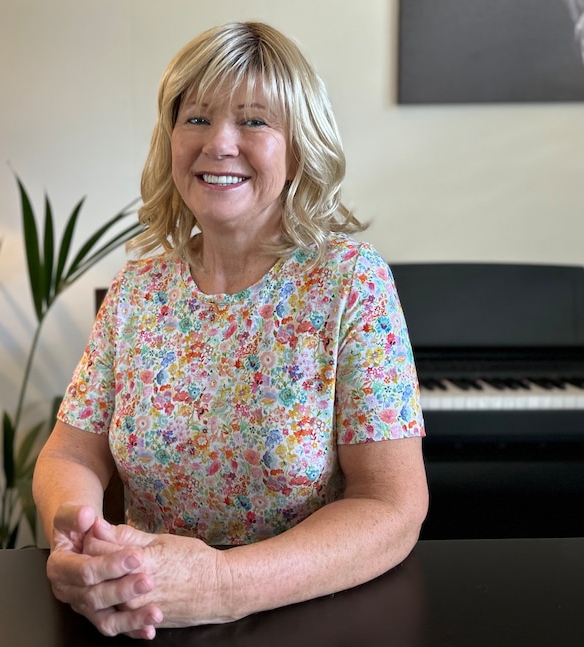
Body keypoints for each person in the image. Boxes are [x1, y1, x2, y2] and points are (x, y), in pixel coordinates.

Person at [32, 21, 428, 640]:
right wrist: (82, 537)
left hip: (304, 620)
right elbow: (71, 451)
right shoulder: (138, 290)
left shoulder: (351, 283)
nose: (219, 143)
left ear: (299, 146)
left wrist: (225, 584)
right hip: (148, 616)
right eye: (196, 119)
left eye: (253, 120)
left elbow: (393, 507)